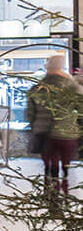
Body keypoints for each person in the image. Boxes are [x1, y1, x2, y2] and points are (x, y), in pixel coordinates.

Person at [27, 54, 83, 198]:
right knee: (66, 167)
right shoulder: (71, 86)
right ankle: (66, 189)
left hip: (46, 134)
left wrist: (36, 126)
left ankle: (51, 193)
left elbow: (30, 113)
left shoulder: (38, 87)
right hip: (68, 135)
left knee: (50, 166)